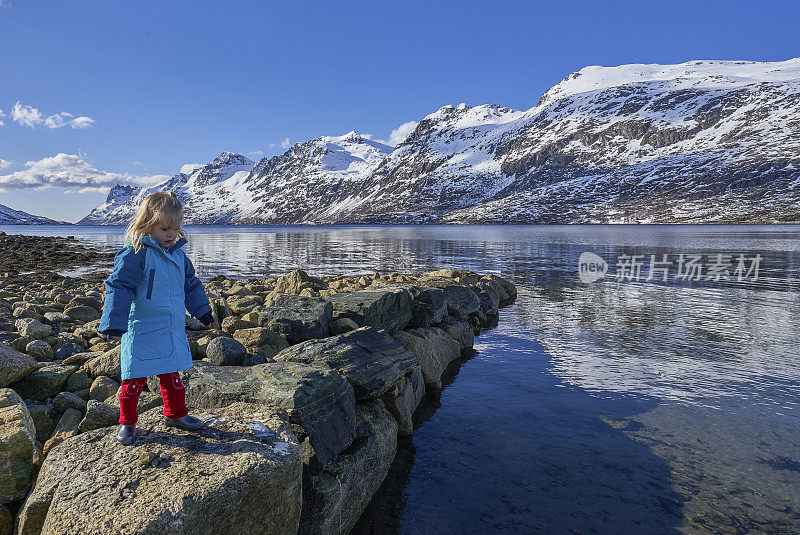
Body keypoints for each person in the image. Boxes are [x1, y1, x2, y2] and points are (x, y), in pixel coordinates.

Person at [98, 191, 215, 445]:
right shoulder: (136, 253)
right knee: (134, 380)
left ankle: (175, 414)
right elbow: (119, 287)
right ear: (147, 224)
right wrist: (113, 323)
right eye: (164, 229)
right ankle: (127, 423)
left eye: (175, 228)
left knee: (172, 378)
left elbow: (191, 286)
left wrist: (202, 310)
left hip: (170, 327)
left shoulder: (178, 256)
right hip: (142, 328)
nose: (171, 234)